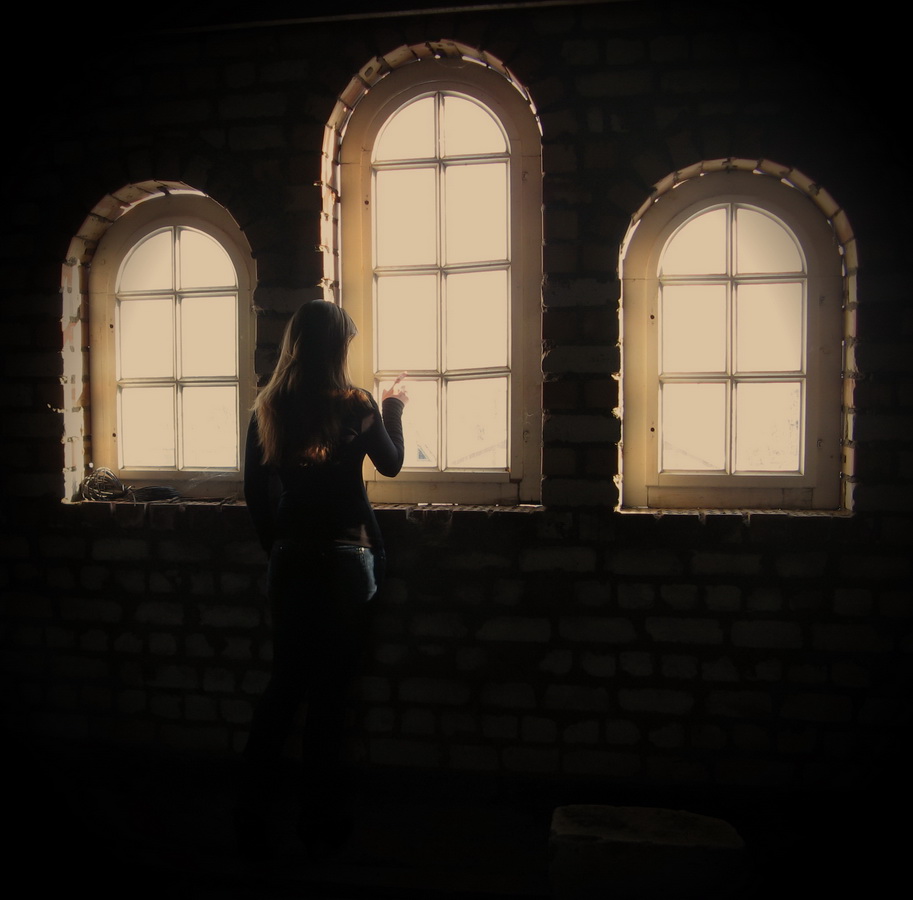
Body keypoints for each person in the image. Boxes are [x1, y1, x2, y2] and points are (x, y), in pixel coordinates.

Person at [237, 299, 407, 858]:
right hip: (347, 557)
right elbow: (391, 465)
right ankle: (316, 819)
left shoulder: (268, 406)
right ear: (337, 348)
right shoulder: (355, 403)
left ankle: (249, 811)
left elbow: (255, 492)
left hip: (291, 556)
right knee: (331, 693)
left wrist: (277, 547)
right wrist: (393, 406)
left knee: (285, 685)